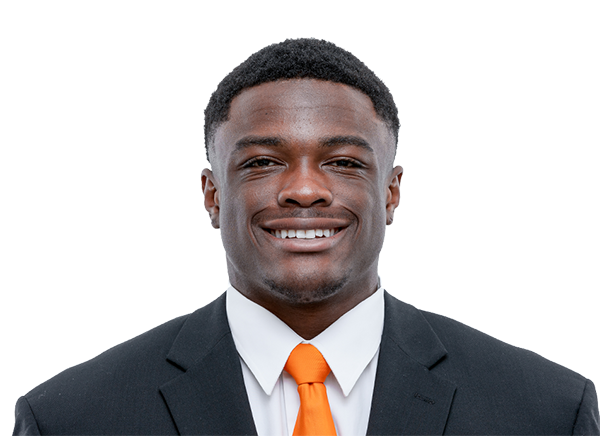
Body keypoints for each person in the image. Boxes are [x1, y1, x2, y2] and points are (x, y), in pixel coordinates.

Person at [13, 38, 599, 436]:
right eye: (262, 163)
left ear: (391, 193)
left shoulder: (545, 412)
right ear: (212, 195)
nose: (303, 190)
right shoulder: (72, 418)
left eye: (343, 162)